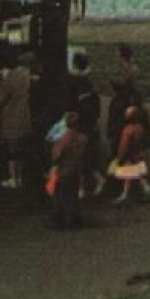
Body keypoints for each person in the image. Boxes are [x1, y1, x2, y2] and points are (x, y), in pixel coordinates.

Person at [65, 52, 105, 197]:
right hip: (90, 123)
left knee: (78, 156)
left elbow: (70, 102)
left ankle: (82, 187)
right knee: (86, 156)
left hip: (80, 123)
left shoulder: (74, 81)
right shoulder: (90, 82)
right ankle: (94, 180)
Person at [0, 51, 37, 190]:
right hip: (26, 117)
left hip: (11, 117)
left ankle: (13, 178)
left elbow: (0, 99)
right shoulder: (30, 77)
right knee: (21, 151)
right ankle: (20, 178)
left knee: (11, 151)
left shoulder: (13, 75)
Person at [48, 111, 90, 227]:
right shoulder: (83, 138)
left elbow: (56, 156)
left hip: (63, 170)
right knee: (73, 197)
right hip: (77, 170)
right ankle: (75, 219)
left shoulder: (62, 139)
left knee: (61, 196)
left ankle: (61, 220)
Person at [110, 105, 150, 204]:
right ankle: (127, 194)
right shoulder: (140, 128)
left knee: (133, 174)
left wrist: (119, 158)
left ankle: (143, 191)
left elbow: (124, 146)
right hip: (138, 153)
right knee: (132, 175)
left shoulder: (128, 130)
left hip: (130, 155)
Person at [106, 44, 142, 147]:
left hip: (123, 100)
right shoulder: (132, 69)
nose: (116, 58)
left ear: (123, 57)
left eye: (117, 55)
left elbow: (124, 84)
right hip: (126, 99)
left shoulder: (128, 70)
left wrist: (114, 83)